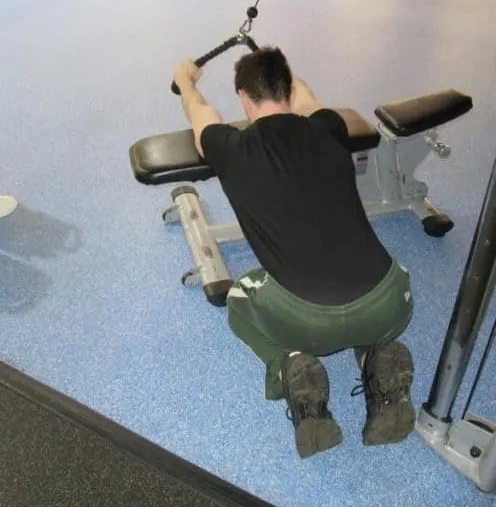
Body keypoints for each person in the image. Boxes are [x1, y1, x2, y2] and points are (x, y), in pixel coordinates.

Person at [171, 47, 416, 459]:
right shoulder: (328, 126)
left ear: (244, 98)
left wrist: (184, 80)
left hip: (308, 323)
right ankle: (376, 359)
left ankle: (289, 368)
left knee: (238, 297)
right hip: (390, 302)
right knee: (371, 295)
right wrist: (275, 64)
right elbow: (304, 96)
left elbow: (198, 112)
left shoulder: (228, 146)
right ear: (286, 89)